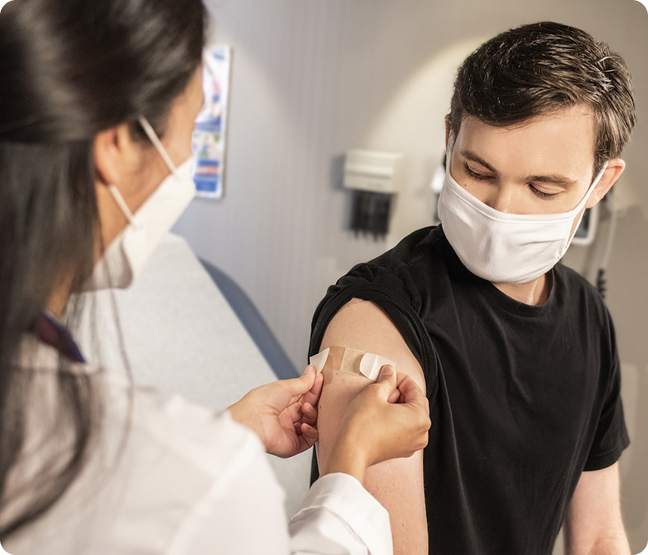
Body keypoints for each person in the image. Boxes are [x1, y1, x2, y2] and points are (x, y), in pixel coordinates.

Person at [0, 1, 431, 554]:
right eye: (197, 122)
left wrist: (227, 430)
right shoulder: (206, 478)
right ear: (115, 144)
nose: (188, 155)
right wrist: (348, 464)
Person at [309, 21, 636, 555]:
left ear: (601, 183)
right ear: (449, 139)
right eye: (477, 170)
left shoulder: (588, 318)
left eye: (542, 187)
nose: (499, 210)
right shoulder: (378, 316)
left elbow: (600, 535)